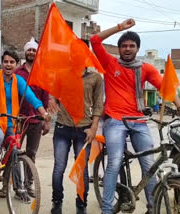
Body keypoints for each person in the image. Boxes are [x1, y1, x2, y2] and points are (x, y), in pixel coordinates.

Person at [90, 18, 180, 214]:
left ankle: (152, 207)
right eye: (124, 46)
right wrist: (120, 28)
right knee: (114, 161)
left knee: (149, 163)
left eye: (131, 46)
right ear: (119, 49)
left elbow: (165, 87)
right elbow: (94, 40)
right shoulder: (110, 63)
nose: (128, 49)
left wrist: (179, 105)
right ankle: (107, 209)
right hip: (114, 120)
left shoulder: (145, 68)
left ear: (137, 48)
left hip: (138, 121)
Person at [0, 50, 50, 197]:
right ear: (2, 63)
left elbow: (31, 97)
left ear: (16, 65)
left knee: (14, 151)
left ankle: (19, 188)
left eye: (12, 62)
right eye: (6, 62)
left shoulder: (19, 81)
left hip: (9, 120)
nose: (8, 65)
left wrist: (43, 112)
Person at [48, 60, 104, 214]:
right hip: (62, 127)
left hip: (84, 130)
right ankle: (57, 202)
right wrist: (52, 98)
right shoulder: (61, 75)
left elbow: (99, 104)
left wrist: (94, 127)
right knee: (59, 167)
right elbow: (52, 92)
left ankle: (81, 203)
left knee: (83, 170)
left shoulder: (95, 78)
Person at [14, 37, 50, 195]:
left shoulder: (42, 72)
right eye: (29, 49)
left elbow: (45, 98)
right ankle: (17, 187)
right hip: (19, 119)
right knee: (14, 153)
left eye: (34, 50)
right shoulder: (17, 72)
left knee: (31, 154)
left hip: (36, 119)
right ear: (25, 52)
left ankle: (29, 184)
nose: (31, 52)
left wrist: (46, 121)